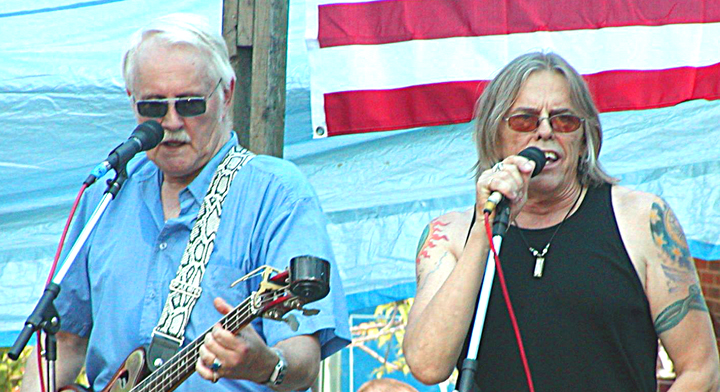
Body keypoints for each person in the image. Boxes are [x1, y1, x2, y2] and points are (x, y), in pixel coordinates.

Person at [20, 13, 350, 392]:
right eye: (154, 107)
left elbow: (304, 362)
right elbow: (63, 340)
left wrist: (265, 365)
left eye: (190, 104)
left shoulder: (277, 193)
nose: (172, 122)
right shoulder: (104, 197)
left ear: (226, 94)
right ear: (132, 102)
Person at [403, 52, 720, 391]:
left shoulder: (642, 219)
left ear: (585, 137)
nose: (544, 132)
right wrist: (484, 231)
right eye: (524, 120)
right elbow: (427, 364)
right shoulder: (450, 235)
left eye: (564, 120)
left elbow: (702, 369)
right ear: (494, 134)